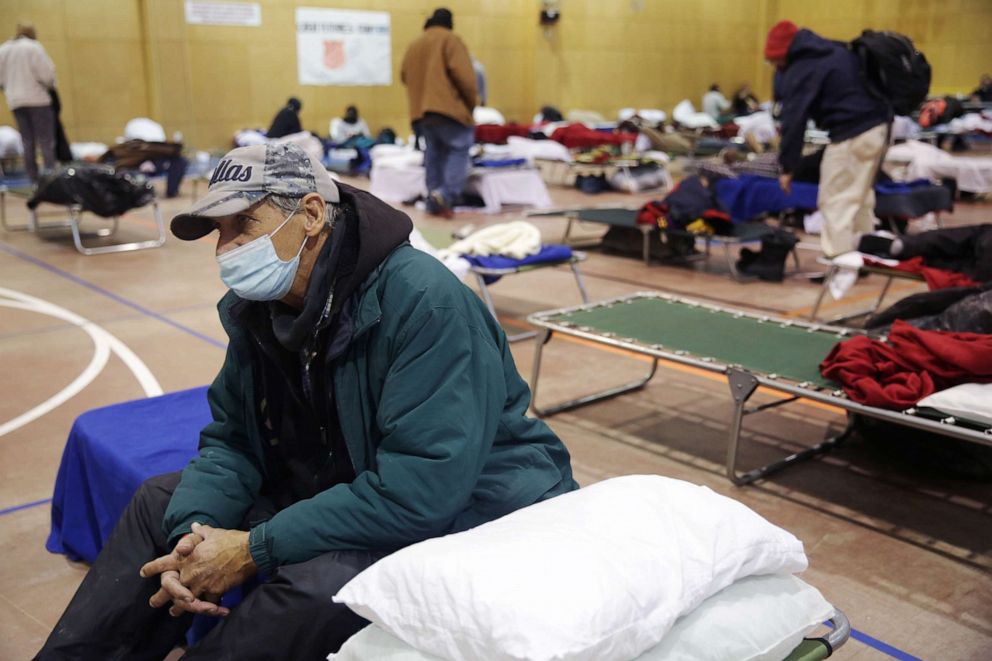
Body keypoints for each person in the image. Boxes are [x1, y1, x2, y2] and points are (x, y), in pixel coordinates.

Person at [37, 141, 577, 659]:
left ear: (313, 214)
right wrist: (192, 539)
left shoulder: (425, 302)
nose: (226, 250)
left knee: (324, 587)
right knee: (163, 502)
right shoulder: (261, 306)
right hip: (346, 476)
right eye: (218, 233)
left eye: (241, 225)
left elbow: (421, 488)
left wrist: (253, 548)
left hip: (469, 503)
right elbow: (233, 441)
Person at [765, 20, 889, 257]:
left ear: (781, 54)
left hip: (852, 133)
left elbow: (794, 121)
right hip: (880, 128)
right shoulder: (834, 50)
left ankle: (840, 264)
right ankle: (866, 256)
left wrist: (788, 167)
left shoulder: (803, 66)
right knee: (860, 198)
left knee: (834, 201)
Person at [401, 8, 477, 218]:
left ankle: (433, 198)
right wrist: (470, 106)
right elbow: (465, 78)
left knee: (434, 154)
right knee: (458, 150)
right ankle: (446, 193)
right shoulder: (450, 40)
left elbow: (404, 75)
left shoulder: (415, 44)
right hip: (449, 109)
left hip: (422, 112)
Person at [0, 23, 56, 181]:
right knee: (46, 141)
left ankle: (33, 181)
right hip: (38, 100)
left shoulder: (3, 50)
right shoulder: (33, 47)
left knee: (27, 142)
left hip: (15, 101)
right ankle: (50, 181)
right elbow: (47, 76)